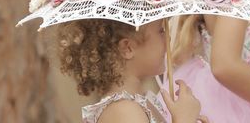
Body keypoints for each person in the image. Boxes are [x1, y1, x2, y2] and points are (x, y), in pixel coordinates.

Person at [56, 18, 205, 123]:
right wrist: (185, 119)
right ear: (127, 48)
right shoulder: (123, 110)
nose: (168, 39)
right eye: (161, 31)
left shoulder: (135, 104)